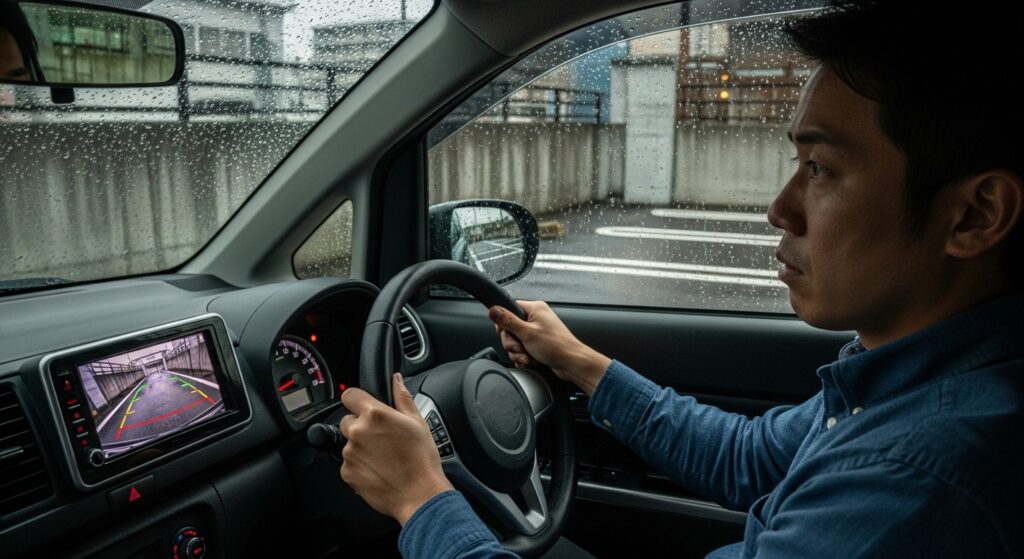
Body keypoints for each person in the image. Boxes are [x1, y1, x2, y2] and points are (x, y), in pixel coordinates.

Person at [336, 1, 1024, 557]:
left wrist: (422, 500)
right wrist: (580, 364)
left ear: (974, 215)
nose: (779, 208)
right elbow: (747, 457)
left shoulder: (920, 479)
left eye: (819, 169)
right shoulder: (900, 381)